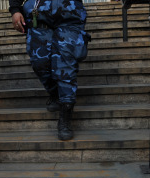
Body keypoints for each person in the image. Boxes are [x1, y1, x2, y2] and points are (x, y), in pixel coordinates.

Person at [9, 0, 91, 141]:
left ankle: (65, 116)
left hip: (69, 15)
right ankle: (55, 94)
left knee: (65, 67)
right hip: (38, 15)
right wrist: (15, 10)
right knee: (39, 62)